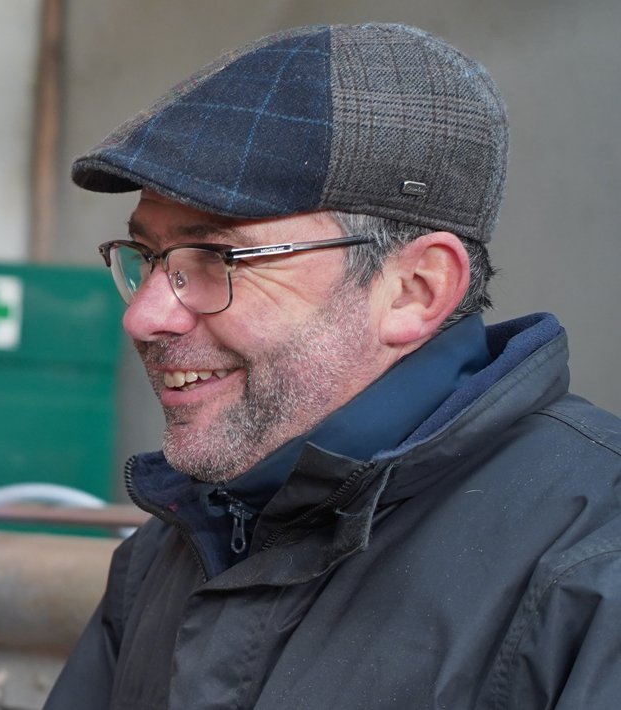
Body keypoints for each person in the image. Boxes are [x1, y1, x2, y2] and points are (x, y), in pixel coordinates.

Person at [43, 22, 621, 710]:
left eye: (216, 259)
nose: (144, 316)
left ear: (415, 290)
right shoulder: (176, 540)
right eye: (148, 258)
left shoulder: (595, 566)